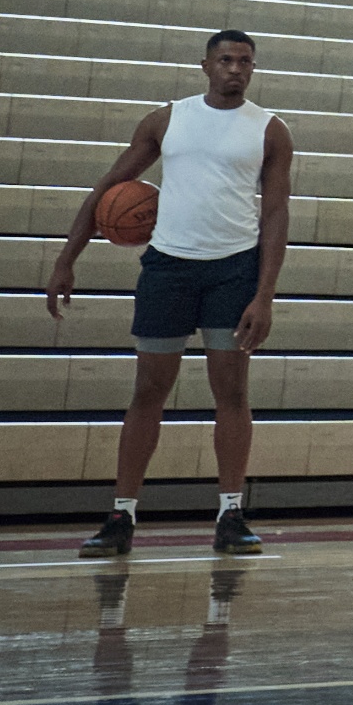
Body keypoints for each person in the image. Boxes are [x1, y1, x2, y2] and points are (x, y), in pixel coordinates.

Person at [50, 28, 290, 557]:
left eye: (245, 61)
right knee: (147, 393)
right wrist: (69, 257)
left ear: (253, 68)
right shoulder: (166, 120)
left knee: (231, 394)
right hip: (168, 268)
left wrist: (265, 293)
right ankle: (122, 516)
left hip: (234, 270)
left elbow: (275, 215)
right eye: (226, 59)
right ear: (205, 65)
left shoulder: (270, 131)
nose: (235, 69)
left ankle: (231, 514)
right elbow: (107, 189)